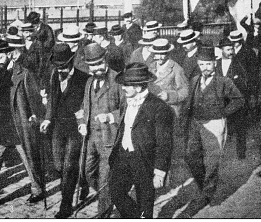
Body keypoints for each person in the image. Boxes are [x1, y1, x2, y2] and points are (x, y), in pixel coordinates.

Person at [0, 39, 46, 209]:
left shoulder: (25, 74)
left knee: (29, 160)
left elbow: (35, 100)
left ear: (10, 55)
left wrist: (36, 117)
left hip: (19, 126)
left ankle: (38, 190)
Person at [181, 46, 244, 217]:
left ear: (214, 63)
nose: (205, 68)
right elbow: (189, 101)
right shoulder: (194, 79)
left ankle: (208, 195)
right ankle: (206, 187)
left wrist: (223, 112)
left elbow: (239, 100)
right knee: (190, 156)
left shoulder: (224, 82)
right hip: (196, 123)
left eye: (208, 64)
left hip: (215, 124)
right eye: (201, 64)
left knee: (212, 161)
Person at [109, 62, 174, 219]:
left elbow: (164, 143)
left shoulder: (159, 107)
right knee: (116, 192)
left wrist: (159, 171)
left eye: (126, 85)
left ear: (138, 87)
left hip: (145, 160)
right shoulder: (127, 100)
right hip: (123, 156)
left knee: (145, 201)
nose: (123, 88)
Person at [39, 43, 89, 218]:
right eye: (58, 66)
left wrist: (83, 118)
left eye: (64, 66)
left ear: (71, 62)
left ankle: (65, 205)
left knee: (68, 166)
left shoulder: (84, 78)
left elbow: (87, 103)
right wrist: (47, 118)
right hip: (58, 127)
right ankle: (82, 180)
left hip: (76, 128)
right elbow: (52, 100)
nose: (61, 70)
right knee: (59, 165)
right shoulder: (54, 75)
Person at [75, 43, 123, 218]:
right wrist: (81, 121)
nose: (96, 68)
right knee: (87, 173)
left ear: (105, 60)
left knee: (104, 179)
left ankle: (103, 213)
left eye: (98, 63)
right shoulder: (89, 82)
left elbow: (127, 109)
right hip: (90, 139)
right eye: (92, 65)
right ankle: (111, 193)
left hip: (109, 139)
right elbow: (84, 106)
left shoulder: (118, 80)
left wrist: (110, 116)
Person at [215, 38, 251, 160]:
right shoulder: (216, 64)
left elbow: (245, 82)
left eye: (232, 49)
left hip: (236, 101)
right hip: (222, 102)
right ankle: (223, 154)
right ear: (221, 50)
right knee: (223, 128)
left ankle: (241, 154)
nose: (231, 52)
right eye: (228, 49)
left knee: (240, 128)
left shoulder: (238, 63)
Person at [148, 38, 189, 118]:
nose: (159, 57)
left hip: (169, 110)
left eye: (162, 54)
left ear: (168, 53)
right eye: (157, 54)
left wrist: (169, 96)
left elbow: (185, 92)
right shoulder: (151, 67)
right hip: (153, 109)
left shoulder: (176, 69)